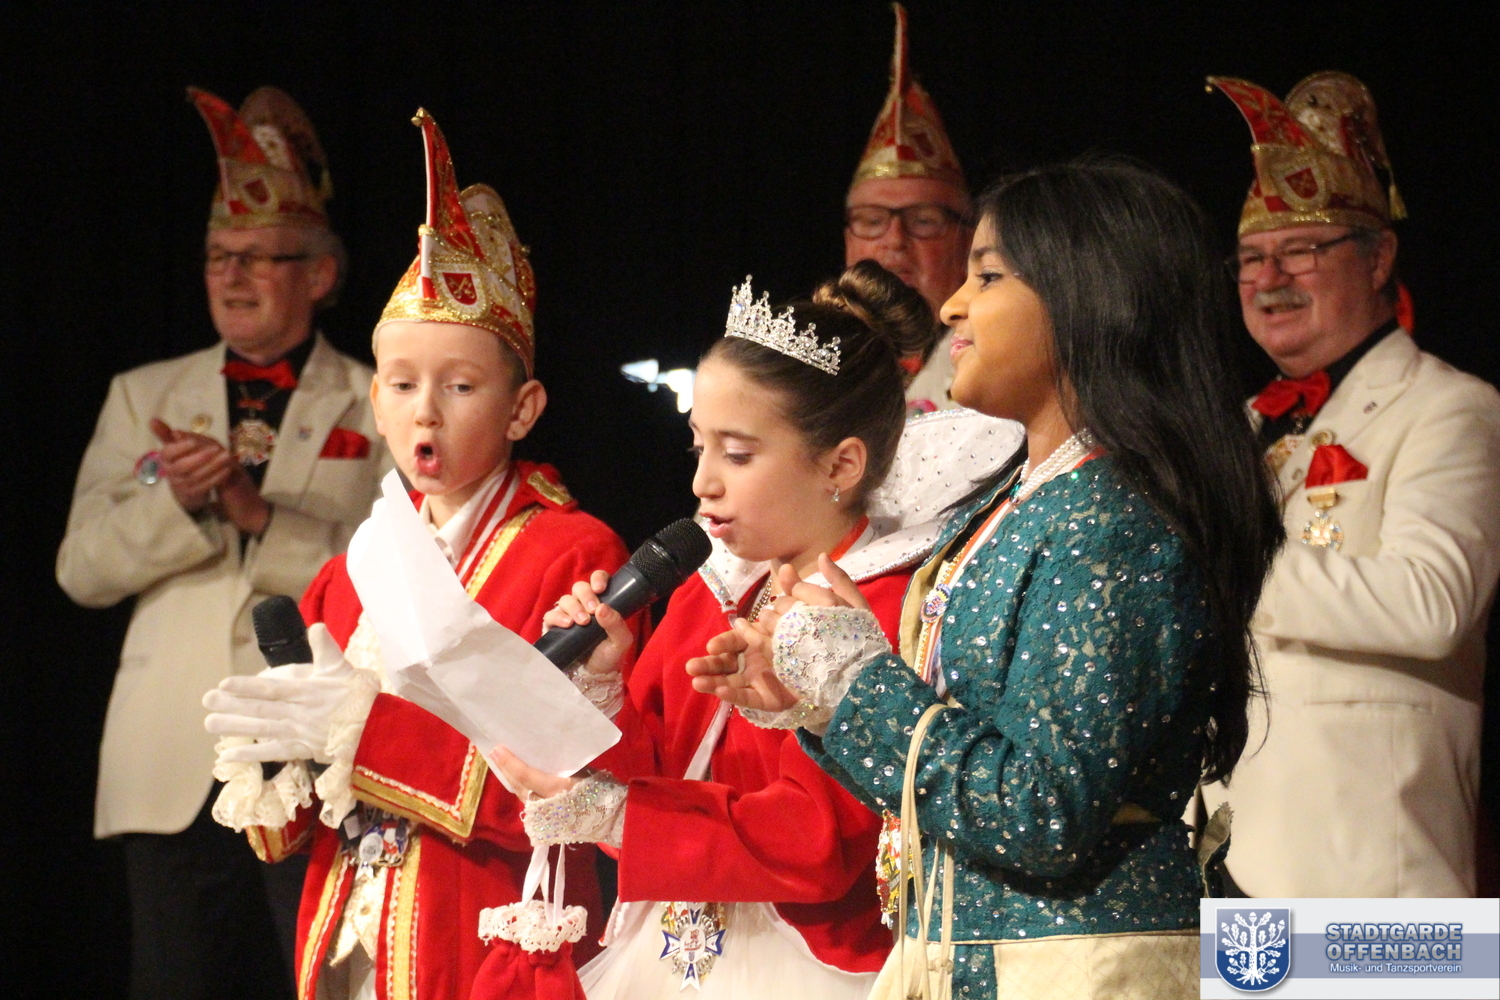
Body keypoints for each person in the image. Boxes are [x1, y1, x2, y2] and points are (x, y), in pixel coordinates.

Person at [692, 161, 1284, 998]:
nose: (951, 306)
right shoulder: (1021, 501)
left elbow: (1042, 814)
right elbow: (955, 782)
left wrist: (859, 683)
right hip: (975, 959)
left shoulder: (1111, 524)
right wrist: (818, 703)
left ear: (1089, 296)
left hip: (1077, 970)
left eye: (989, 276)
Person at [487, 261, 1020, 999]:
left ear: (841, 465)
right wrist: (604, 686)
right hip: (667, 953)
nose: (703, 482)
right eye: (698, 447)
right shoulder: (712, 592)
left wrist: (617, 816)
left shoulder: (877, 608)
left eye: (737, 455)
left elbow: (820, 842)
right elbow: (660, 775)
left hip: (802, 967)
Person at [200, 110, 635, 999]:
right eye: (402, 385)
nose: (425, 411)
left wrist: (361, 733)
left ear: (522, 410)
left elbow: (562, 791)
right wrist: (277, 755)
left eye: (460, 385)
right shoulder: (354, 566)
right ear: (376, 401)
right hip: (348, 942)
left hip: (484, 939)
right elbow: (290, 833)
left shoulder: (571, 552)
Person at [55, 86, 385, 999]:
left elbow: (395, 575)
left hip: (317, 754)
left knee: (317, 980)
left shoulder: (377, 399)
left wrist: (259, 515)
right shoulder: (143, 395)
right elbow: (79, 569)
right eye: (216, 257)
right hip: (172, 755)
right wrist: (178, 502)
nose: (232, 276)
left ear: (319, 273)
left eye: (257, 257)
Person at [1198, 73, 1500, 897]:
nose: (1269, 277)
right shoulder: (1238, 426)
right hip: (1236, 860)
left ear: (1379, 258)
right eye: (1251, 259)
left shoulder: (1451, 406)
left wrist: (1221, 566)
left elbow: (1432, 604)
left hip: (1374, 873)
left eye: (1301, 249)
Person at [844, 3, 972, 414]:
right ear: (848, 243)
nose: (895, 241)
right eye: (871, 221)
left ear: (968, 242)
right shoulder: (816, 366)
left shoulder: (994, 372)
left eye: (924, 221)